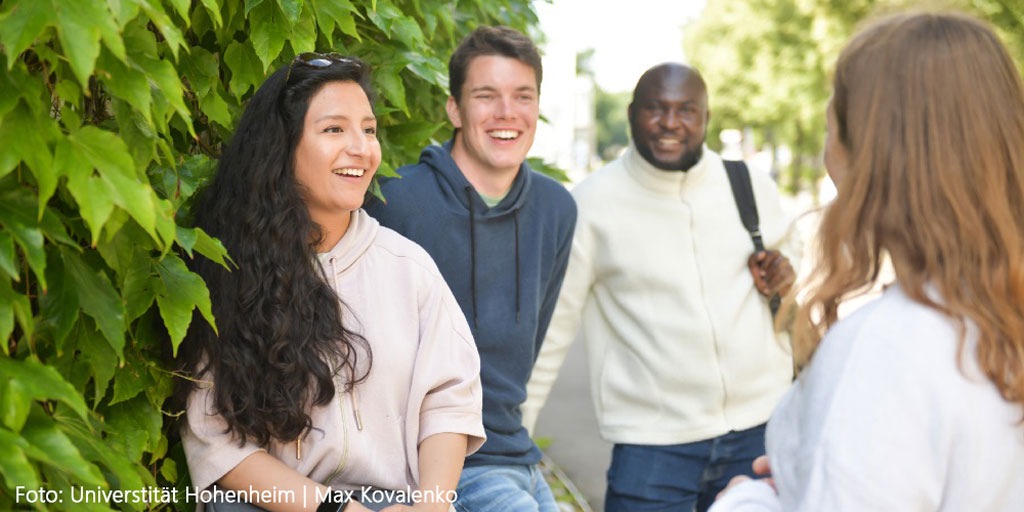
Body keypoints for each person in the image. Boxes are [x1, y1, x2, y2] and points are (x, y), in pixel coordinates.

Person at [710, 11, 1024, 511]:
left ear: (873, 156)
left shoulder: (889, 348)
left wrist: (747, 501)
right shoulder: (994, 311)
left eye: (832, 125)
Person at [176, 53, 485, 512]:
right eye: (334, 129)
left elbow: (448, 401)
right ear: (283, 147)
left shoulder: (408, 267)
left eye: (369, 129)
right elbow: (213, 439)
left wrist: (431, 506)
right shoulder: (228, 271)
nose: (361, 147)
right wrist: (336, 509)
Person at [522, 62, 800, 512]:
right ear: (633, 114)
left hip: (759, 434)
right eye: (656, 108)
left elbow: (797, 267)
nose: (670, 123)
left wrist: (788, 273)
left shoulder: (748, 185)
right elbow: (552, 328)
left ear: (706, 117)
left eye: (686, 110)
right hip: (652, 449)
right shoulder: (592, 204)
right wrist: (516, 439)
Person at [364, 26, 576, 512]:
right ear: (454, 109)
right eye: (486, 95)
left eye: (523, 96)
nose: (507, 113)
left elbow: (531, 341)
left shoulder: (556, 209)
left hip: (518, 455)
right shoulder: (397, 203)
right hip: (440, 467)